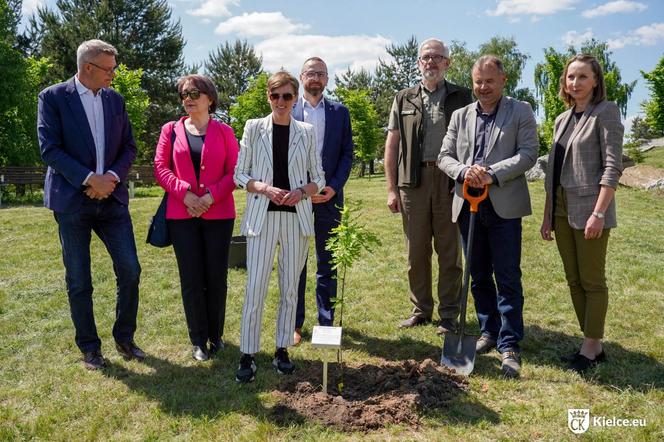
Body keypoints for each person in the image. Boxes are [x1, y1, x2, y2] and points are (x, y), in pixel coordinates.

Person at [37, 39, 144, 370]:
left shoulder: (115, 100)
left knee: (130, 270)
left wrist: (109, 177)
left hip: (112, 200)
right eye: (109, 69)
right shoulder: (53, 98)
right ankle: (89, 347)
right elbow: (50, 149)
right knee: (79, 279)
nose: (114, 75)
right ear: (88, 68)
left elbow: (128, 146)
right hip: (71, 202)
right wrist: (88, 178)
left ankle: (124, 337)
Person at [438, 55, 538, 378]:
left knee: (507, 275)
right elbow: (444, 156)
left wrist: (491, 173)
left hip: (504, 205)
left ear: (503, 80)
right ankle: (488, 331)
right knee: (477, 273)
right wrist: (466, 171)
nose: (482, 88)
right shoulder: (460, 115)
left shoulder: (520, 111)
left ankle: (509, 343)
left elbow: (528, 154)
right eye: (478, 82)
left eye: (489, 82)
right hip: (467, 205)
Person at [233, 71, 325, 383]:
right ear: (268, 98)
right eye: (275, 96)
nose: (281, 102)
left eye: (287, 96)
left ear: (295, 98)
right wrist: (264, 188)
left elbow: (320, 179)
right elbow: (239, 175)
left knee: (289, 287)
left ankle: (282, 348)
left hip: (296, 217)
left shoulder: (307, 131)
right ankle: (247, 353)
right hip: (262, 217)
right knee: (255, 286)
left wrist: (302, 192)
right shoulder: (253, 128)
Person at [540, 54, 624, 373]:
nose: (575, 83)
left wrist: (599, 213)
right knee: (573, 279)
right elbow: (553, 172)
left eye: (582, 77)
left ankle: (590, 347)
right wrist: (548, 216)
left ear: (596, 81)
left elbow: (612, 167)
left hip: (590, 210)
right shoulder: (562, 119)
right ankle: (593, 344)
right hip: (561, 210)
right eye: (570, 77)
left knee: (592, 279)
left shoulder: (606, 112)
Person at [384, 38, 472, 334]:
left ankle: (449, 314)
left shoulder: (463, 96)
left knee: (449, 251)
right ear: (419, 63)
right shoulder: (403, 98)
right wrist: (391, 188)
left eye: (437, 57)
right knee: (415, 252)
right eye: (425, 57)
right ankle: (421, 309)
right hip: (413, 182)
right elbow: (392, 143)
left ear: (448, 62)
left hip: (451, 181)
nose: (431, 62)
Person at [154, 74, 238, 361]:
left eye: (194, 93)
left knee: (216, 277)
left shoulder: (225, 131)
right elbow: (160, 168)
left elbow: (235, 172)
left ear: (209, 98)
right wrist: (185, 193)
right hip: (181, 214)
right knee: (191, 278)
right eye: (184, 94)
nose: (188, 99)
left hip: (219, 214)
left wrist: (210, 196)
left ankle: (216, 336)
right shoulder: (171, 130)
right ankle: (198, 340)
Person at [293, 57, 354, 344]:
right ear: (301, 76)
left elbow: (346, 155)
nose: (315, 78)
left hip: (329, 197)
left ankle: (326, 323)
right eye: (310, 73)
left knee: (327, 260)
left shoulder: (340, 113)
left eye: (320, 74)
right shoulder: (288, 109)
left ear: (327, 79)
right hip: (295, 198)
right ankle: (294, 324)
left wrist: (332, 187)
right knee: (296, 262)